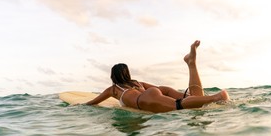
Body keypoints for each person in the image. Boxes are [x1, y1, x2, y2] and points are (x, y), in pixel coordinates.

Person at [85, 40, 230, 113]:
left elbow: (94, 102)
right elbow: (157, 89)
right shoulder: (136, 82)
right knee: (194, 98)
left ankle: (217, 97)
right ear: (127, 73)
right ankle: (191, 64)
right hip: (157, 91)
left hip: (145, 99)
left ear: (113, 76)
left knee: (178, 106)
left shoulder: (114, 89)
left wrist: (80, 105)